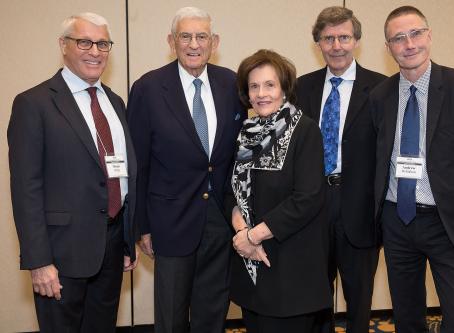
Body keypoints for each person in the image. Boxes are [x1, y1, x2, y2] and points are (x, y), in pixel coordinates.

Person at [8, 12, 138, 333]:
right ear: (63, 45)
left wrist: (125, 240)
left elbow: (120, 172)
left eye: (103, 43)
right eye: (84, 42)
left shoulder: (115, 102)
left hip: (110, 245)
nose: (95, 51)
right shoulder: (33, 104)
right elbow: (26, 189)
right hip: (60, 255)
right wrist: (39, 261)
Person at [370, 6, 454, 333]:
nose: (408, 44)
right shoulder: (380, 96)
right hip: (397, 220)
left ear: (429, 36)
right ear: (388, 48)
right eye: (398, 38)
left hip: (447, 222)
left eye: (415, 33)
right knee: (407, 318)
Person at [127, 6, 245, 333]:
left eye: (201, 36)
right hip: (169, 223)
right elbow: (139, 164)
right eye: (185, 36)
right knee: (171, 317)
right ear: (172, 41)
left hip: (220, 223)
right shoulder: (148, 88)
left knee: (213, 312)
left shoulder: (232, 84)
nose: (194, 44)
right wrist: (142, 227)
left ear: (214, 41)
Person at [296, 6, 386, 333]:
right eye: (329, 38)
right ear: (318, 43)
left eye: (344, 37)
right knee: (315, 295)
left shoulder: (382, 89)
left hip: (360, 210)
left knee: (359, 299)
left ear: (357, 41)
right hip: (312, 207)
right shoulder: (300, 88)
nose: (337, 45)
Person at [230, 49, 331, 333]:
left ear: (284, 89)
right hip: (252, 265)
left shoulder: (305, 131)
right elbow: (233, 192)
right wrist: (242, 235)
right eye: (254, 86)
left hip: (291, 272)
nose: (261, 93)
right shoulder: (246, 132)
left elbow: (308, 197)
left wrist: (253, 236)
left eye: (270, 85)